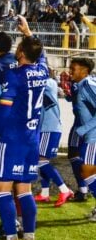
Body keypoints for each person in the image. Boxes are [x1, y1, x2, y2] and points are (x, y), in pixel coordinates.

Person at [0, 16, 48, 240]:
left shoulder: (14, 75)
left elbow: (3, 110)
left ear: (20, 52)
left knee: (1, 188)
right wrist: (28, 31)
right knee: (24, 190)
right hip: (31, 138)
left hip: (11, 138)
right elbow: (39, 54)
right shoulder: (42, 70)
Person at [34, 69, 73, 206]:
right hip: (48, 128)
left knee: (41, 160)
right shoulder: (45, 84)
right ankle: (45, 194)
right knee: (42, 160)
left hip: (49, 128)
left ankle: (64, 189)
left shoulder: (49, 83)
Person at [70, 58, 96, 221]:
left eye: (74, 69)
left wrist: (82, 129)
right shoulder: (80, 86)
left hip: (93, 135)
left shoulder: (88, 85)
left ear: (85, 71)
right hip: (89, 134)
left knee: (86, 170)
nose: (70, 71)